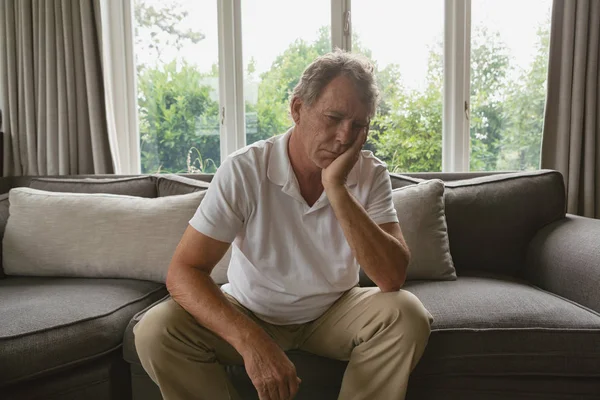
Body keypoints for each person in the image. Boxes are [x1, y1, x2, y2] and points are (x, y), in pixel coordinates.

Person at [134, 50, 433, 400]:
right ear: (297, 109)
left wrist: (336, 187)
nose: (343, 137)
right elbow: (183, 272)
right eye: (333, 117)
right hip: (251, 308)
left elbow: (391, 277)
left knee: (407, 314)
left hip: (334, 309)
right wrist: (253, 342)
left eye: (358, 125)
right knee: (156, 330)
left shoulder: (371, 173)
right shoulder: (245, 169)